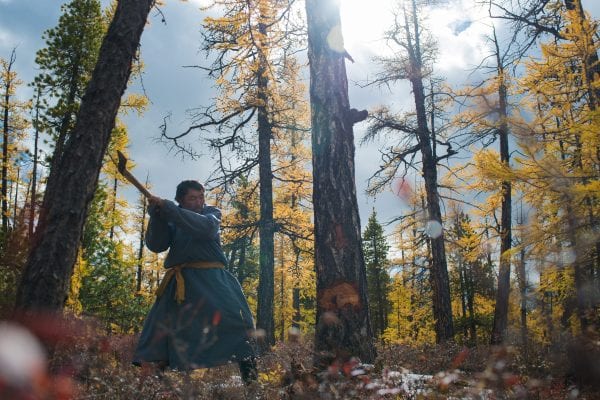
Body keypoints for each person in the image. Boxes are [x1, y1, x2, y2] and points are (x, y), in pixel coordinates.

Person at [133, 180, 258, 383]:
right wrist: (157, 217)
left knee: (237, 324)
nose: (199, 201)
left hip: (213, 280)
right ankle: (153, 387)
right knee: (159, 332)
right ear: (180, 200)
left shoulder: (211, 213)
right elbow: (157, 245)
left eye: (201, 196)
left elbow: (207, 229)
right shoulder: (171, 217)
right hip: (180, 285)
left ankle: (252, 384)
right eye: (193, 198)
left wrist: (171, 211)